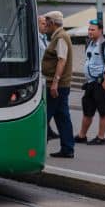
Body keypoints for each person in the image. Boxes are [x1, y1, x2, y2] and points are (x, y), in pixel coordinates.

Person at [76, 19, 105, 145]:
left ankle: (101, 137)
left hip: (100, 83)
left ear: (100, 30)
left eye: (92, 29)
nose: (90, 31)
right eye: (89, 29)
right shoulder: (89, 43)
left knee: (103, 112)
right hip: (90, 83)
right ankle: (82, 136)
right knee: (87, 110)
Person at [41, 10, 74, 158]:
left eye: (47, 22)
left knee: (44, 117)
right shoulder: (60, 36)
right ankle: (67, 148)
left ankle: (38, 148)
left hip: (56, 85)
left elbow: (62, 60)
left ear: (53, 23)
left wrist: (55, 82)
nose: (45, 24)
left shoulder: (60, 37)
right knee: (62, 117)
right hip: (61, 85)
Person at [37, 14, 59, 140]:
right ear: (37, 24)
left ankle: (48, 130)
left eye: (46, 23)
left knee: (46, 104)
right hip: (39, 75)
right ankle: (46, 130)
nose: (45, 26)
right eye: (42, 23)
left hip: (46, 76)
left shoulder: (46, 39)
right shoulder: (36, 38)